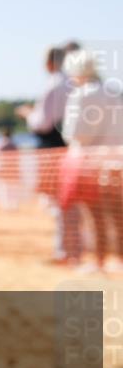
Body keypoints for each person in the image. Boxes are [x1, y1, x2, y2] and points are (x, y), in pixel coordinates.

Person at [59, 50, 123, 272]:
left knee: (94, 214)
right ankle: (118, 259)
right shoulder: (114, 92)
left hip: (91, 164)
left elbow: (76, 134)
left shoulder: (82, 94)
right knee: (117, 215)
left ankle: (99, 260)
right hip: (117, 162)